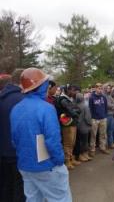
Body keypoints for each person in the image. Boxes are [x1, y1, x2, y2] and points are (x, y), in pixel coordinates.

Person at [10, 68, 72, 202]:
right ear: (41, 86)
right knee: (60, 198)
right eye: (46, 84)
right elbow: (52, 141)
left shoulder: (16, 109)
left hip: (25, 166)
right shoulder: (46, 108)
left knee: (33, 199)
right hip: (47, 166)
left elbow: (14, 140)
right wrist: (59, 161)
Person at [0, 69, 25, 202]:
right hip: (18, 153)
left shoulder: (3, 97)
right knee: (20, 190)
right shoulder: (23, 100)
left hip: (3, 152)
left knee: (5, 187)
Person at [55, 84, 81, 170]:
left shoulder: (69, 99)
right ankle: (67, 161)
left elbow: (77, 109)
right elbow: (72, 111)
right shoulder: (63, 99)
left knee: (72, 143)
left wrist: (75, 111)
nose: (74, 92)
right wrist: (75, 112)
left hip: (72, 123)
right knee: (67, 143)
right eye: (73, 90)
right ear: (68, 90)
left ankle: (71, 158)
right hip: (67, 125)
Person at [88, 83, 109, 157]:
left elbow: (106, 107)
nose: (100, 89)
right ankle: (92, 150)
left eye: (101, 88)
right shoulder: (91, 98)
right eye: (99, 88)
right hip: (94, 119)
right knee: (93, 135)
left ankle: (102, 147)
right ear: (95, 88)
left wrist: (105, 116)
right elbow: (90, 109)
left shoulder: (103, 97)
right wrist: (92, 118)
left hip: (103, 118)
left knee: (103, 134)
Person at [75, 93, 92, 162]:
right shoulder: (85, 106)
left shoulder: (75, 105)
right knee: (85, 142)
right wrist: (90, 123)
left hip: (78, 126)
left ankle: (83, 155)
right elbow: (87, 117)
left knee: (79, 141)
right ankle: (83, 155)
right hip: (84, 126)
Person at [104, 84, 114, 149]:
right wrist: (112, 105)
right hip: (106, 116)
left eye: (109, 88)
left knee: (111, 131)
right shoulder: (104, 96)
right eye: (107, 88)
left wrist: (112, 105)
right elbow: (107, 105)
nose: (108, 89)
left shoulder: (110, 96)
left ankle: (111, 143)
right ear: (105, 88)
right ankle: (105, 145)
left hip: (112, 116)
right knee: (105, 132)